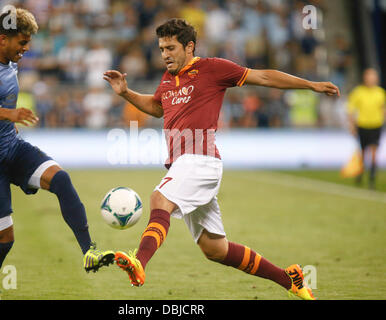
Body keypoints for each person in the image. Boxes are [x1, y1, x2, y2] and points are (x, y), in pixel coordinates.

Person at [104, 18, 339, 300]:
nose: (164, 54)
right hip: (183, 163)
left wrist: (311, 85)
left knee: (159, 200)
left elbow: (263, 77)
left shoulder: (212, 68)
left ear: (189, 47)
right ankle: (289, 278)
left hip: (200, 158)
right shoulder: (168, 79)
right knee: (215, 250)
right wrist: (126, 93)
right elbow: (156, 108)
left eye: (170, 47)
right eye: (161, 48)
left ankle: (139, 262)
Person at [0, 8, 114, 300]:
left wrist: (9, 125)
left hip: (12, 147)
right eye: (22, 42)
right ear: (3, 39)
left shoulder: (10, 62)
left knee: (61, 179)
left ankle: (89, 252)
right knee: (4, 240)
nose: (26, 48)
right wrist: (10, 114)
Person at [347, 68, 385, 189]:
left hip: (376, 125)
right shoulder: (358, 92)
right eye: (369, 76)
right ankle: (360, 174)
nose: (371, 79)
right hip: (362, 125)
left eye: (373, 76)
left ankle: (372, 178)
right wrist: (352, 125)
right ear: (365, 78)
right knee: (363, 153)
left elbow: (383, 108)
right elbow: (351, 110)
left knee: (374, 152)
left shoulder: (380, 92)